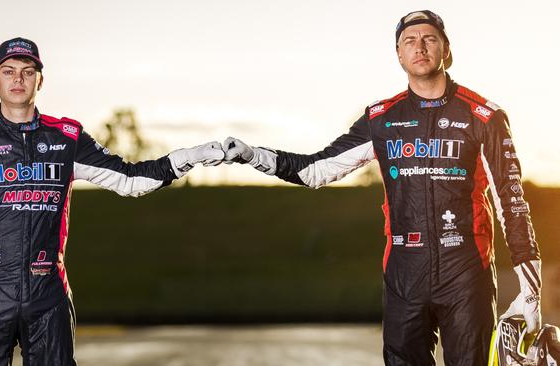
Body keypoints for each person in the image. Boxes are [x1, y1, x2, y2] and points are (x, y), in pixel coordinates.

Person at [222, 10, 542, 366]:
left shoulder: (484, 115)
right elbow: (317, 170)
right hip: (404, 273)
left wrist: (531, 287)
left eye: (429, 39)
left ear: (446, 50)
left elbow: (512, 203)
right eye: (410, 41)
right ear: (399, 55)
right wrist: (254, 156)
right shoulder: (381, 119)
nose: (419, 47)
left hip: (466, 274)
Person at [0, 37, 224, 365]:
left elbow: (129, 179)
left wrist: (186, 158)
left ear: (40, 80)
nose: (18, 79)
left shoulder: (66, 137)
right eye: (8, 71)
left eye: (27, 72)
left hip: (48, 298)